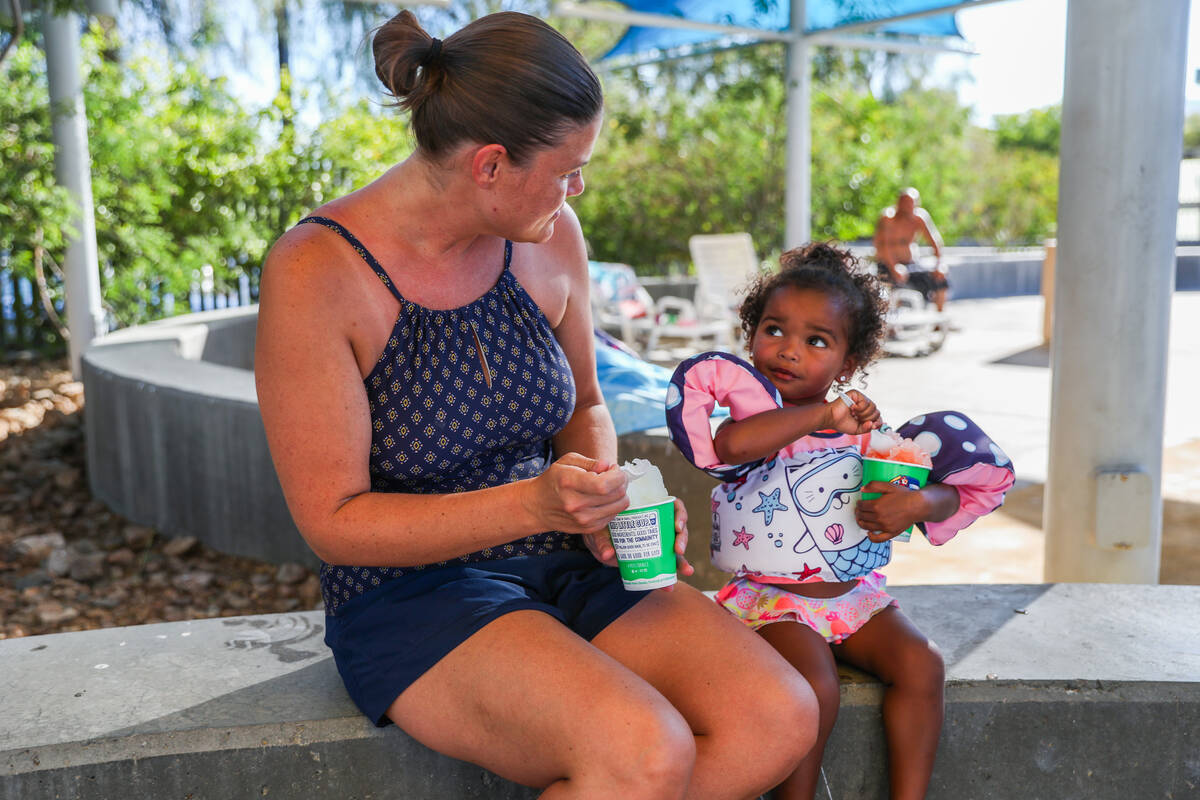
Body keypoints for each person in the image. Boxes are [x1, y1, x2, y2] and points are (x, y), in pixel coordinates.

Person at [254, 10, 818, 798]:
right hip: (408, 592)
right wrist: (538, 505)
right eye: (566, 168)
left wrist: (607, 504)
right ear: (490, 164)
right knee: (643, 751)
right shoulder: (318, 270)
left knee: (779, 714)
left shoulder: (550, 235)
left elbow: (586, 404)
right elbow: (334, 522)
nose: (578, 187)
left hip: (559, 555)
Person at [663, 242, 1016, 799]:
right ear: (751, 336)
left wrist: (919, 505)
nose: (788, 350)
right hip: (770, 603)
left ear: (848, 364)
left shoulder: (871, 438)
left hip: (856, 599)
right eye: (773, 329)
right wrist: (824, 414)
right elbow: (729, 446)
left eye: (816, 341)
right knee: (815, 686)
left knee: (922, 666)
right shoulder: (756, 428)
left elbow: (944, 492)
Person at [873, 187, 949, 312]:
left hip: (911, 265)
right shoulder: (888, 218)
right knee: (890, 286)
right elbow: (882, 246)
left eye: (910, 203)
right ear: (898, 202)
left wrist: (939, 265)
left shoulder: (919, 218)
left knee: (940, 279)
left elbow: (935, 242)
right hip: (887, 266)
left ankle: (939, 321)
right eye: (904, 202)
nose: (907, 206)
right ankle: (892, 325)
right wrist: (894, 268)